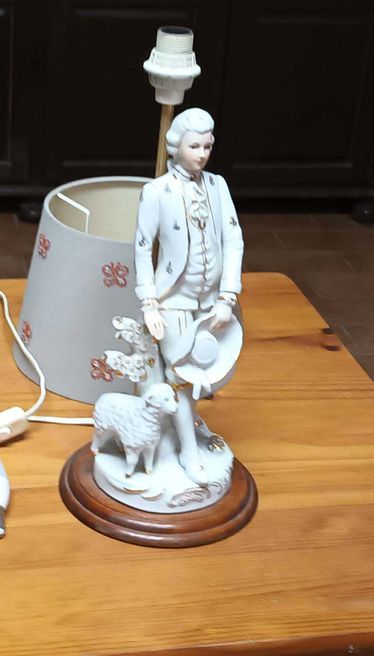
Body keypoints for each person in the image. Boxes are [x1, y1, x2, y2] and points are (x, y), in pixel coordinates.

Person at [133, 108, 244, 484]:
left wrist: (227, 296)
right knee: (181, 376)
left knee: (207, 370)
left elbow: (233, 240)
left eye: (207, 146)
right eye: (194, 146)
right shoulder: (156, 191)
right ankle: (188, 451)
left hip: (212, 301)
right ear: (175, 146)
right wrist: (149, 303)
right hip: (173, 301)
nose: (202, 154)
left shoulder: (218, 186)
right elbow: (142, 248)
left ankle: (189, 425)